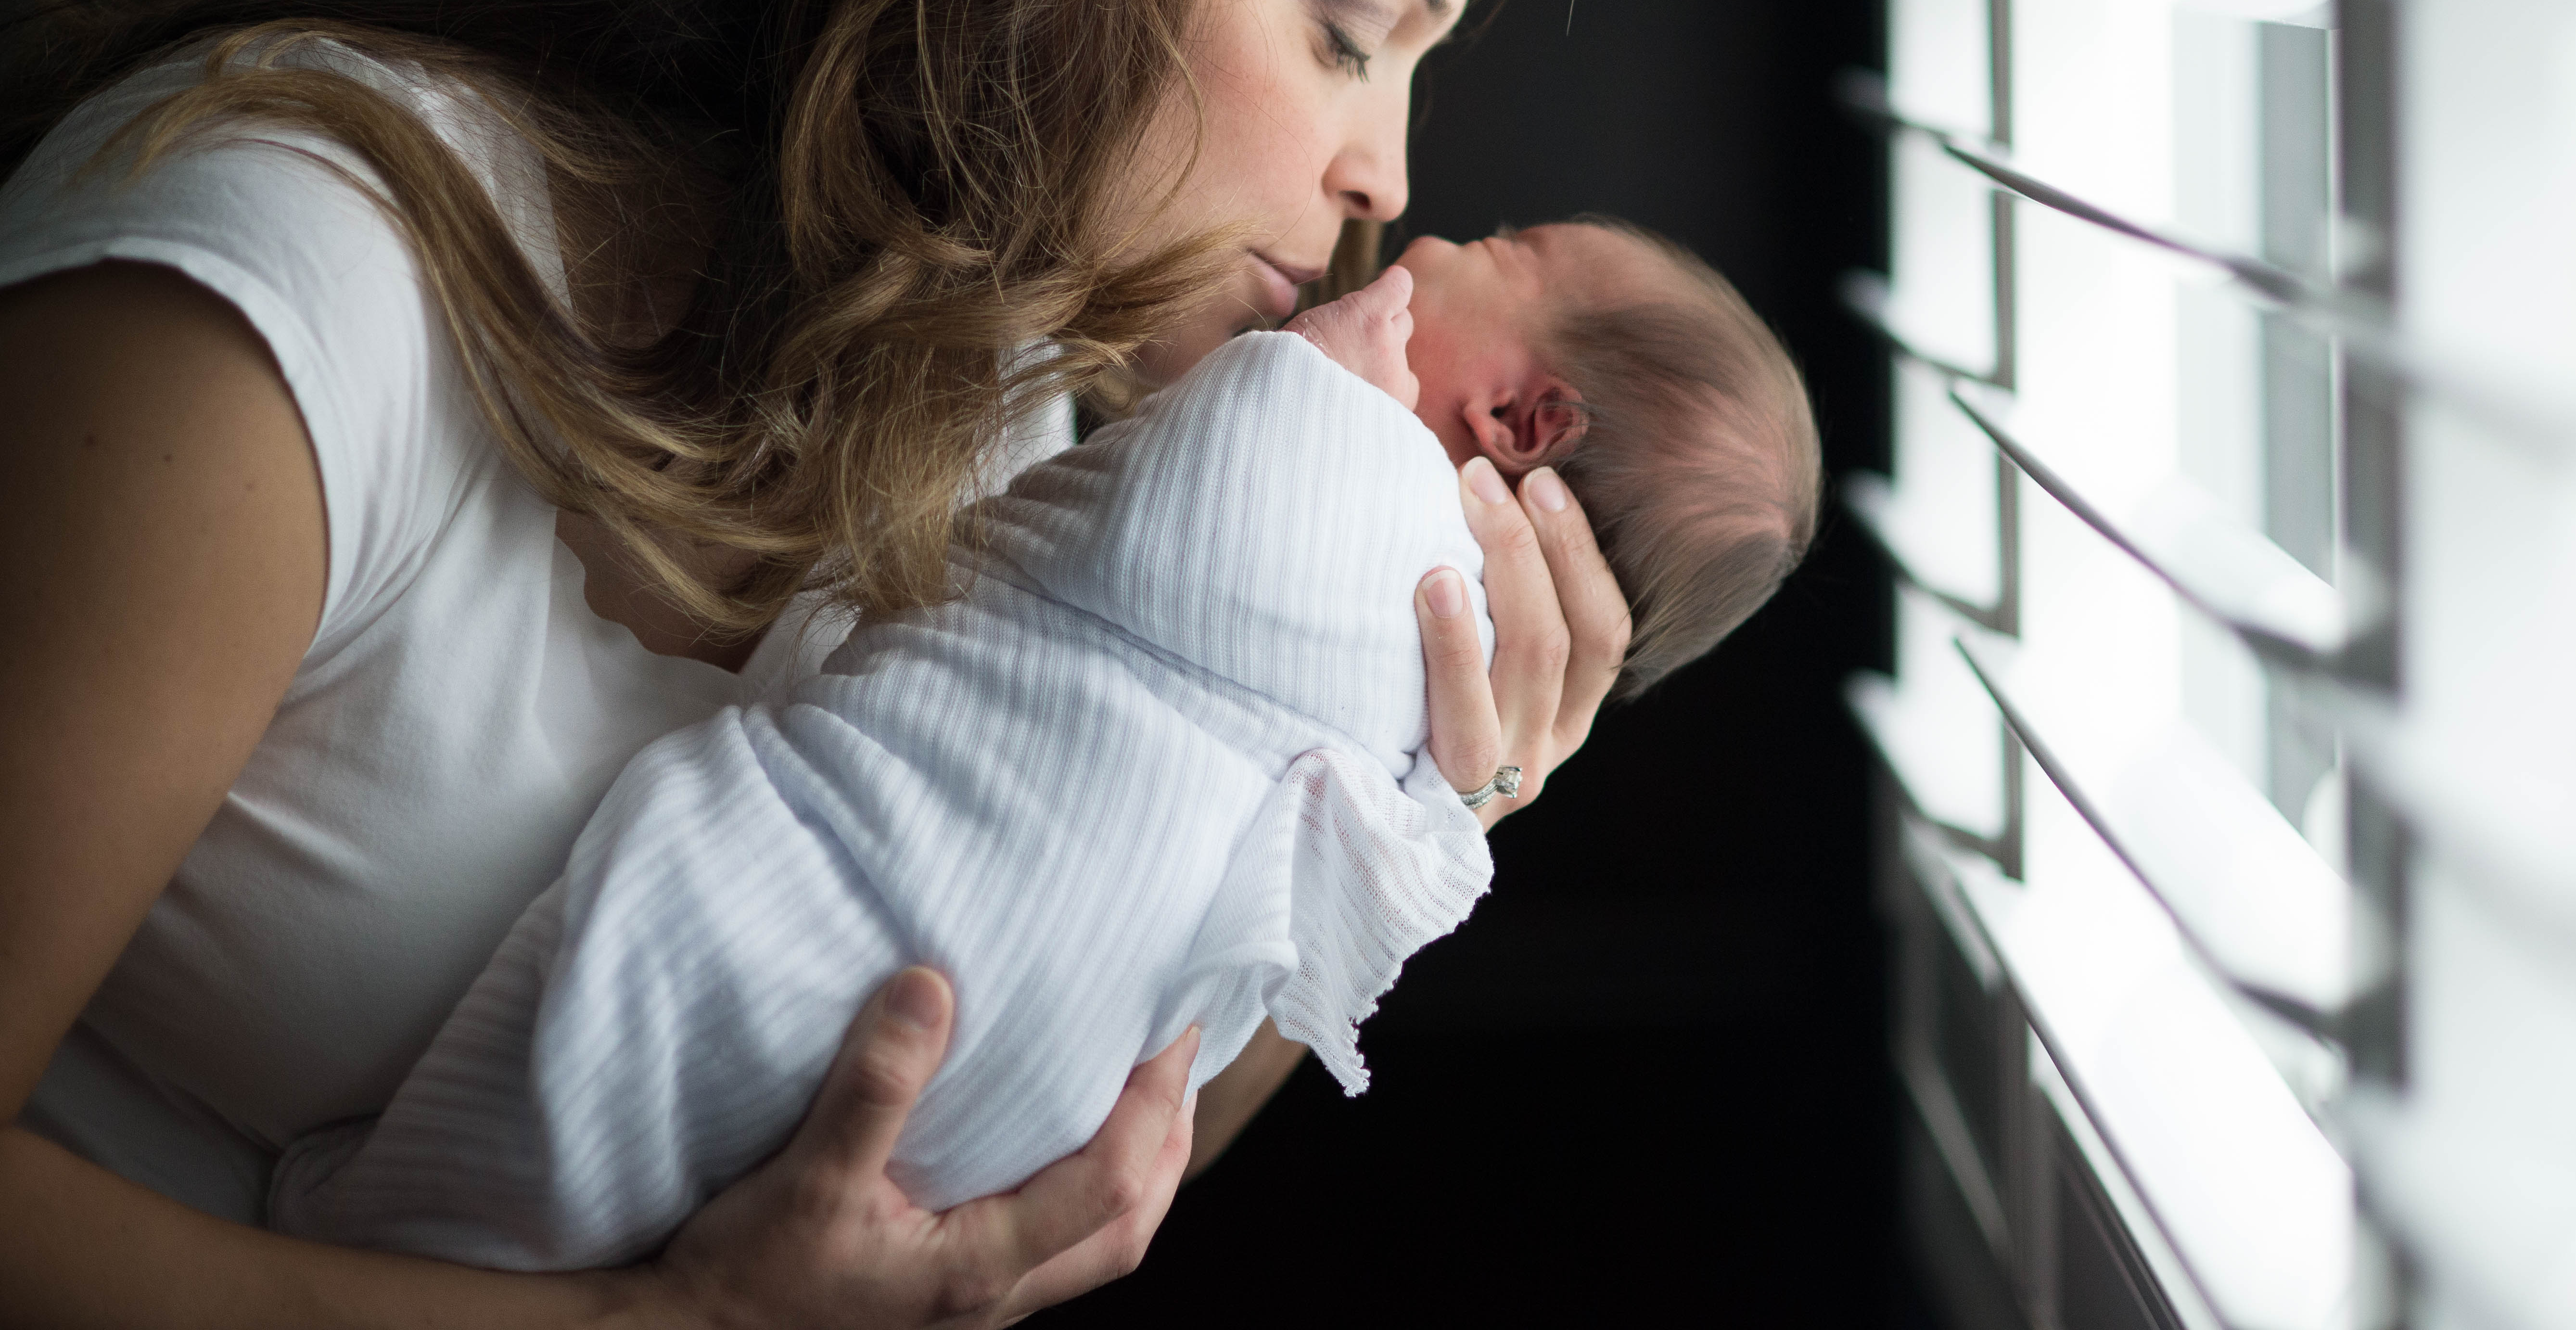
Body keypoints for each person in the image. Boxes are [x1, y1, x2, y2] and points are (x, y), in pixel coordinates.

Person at [0, 0, 1637, 1328]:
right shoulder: (268, 314)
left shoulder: (985, 385)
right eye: (1348, 32)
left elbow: (1034, 1115)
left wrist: (1421, 806)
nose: (1388, 181)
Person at [268, 231, 1820, 1270]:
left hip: (871, 985)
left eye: (1500, 256)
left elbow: (1162, 1092)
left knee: (634, 1020)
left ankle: (390, 1216)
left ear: (1524, 421)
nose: (1407, 214)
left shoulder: (1355, 516)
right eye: (1345, 31)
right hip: (937, 1069)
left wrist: (1445, 828)